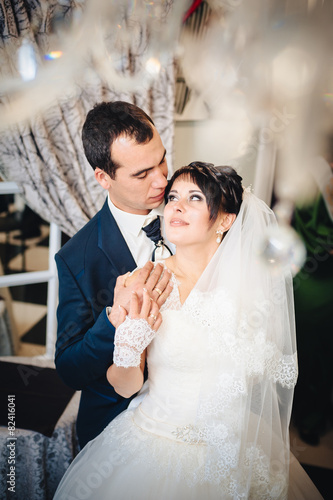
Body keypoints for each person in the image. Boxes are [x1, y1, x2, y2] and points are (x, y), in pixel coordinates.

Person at [54, 162, 322, 499]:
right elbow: (125, 387)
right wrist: (129, 343)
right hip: (155, 443)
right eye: (173, 198)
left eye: (195, 198)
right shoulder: (145, 280)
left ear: (225, 220)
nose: (176, 207)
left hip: (234, 446)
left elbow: (259, 381)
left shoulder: (252, 287)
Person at [55, 101, 174, 449]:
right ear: (103, 177)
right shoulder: (76, 257)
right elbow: (69, 369)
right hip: (119, 424)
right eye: (142, 174)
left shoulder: (198, 210)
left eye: (162, 159)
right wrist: (114, 320)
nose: (162, 179)